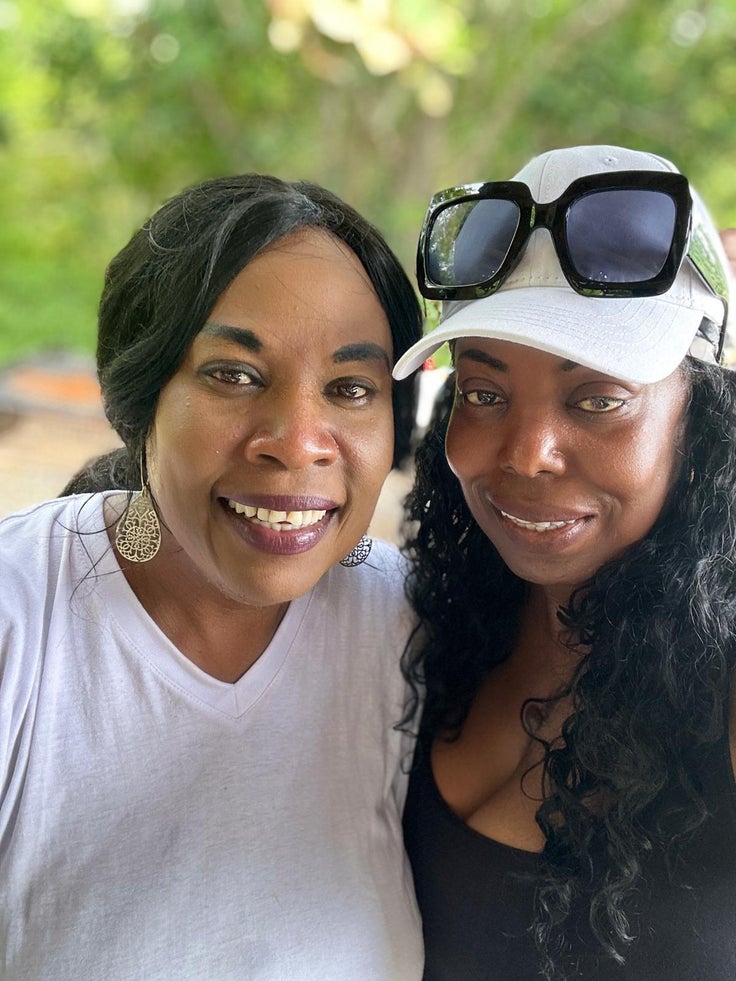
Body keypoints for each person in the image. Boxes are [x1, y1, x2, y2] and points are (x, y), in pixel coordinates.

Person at [0, 174, 424, 979]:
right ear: (142, 396)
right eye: (234, 375)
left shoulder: (407, 624)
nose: (298, 442)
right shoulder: (21, 615)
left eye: (350, 388)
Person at [392, 145, 735, 979]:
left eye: (598, 399)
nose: (528, 453)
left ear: (704, 415)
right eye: (483, 391)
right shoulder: (427, 633)